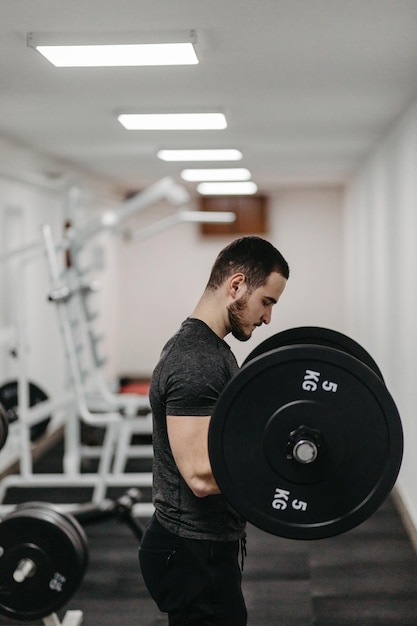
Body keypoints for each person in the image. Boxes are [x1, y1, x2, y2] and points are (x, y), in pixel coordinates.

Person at [139, 236, 290, 625]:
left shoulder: (212, 348)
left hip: (203, 543)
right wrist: (281, 467)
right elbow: (201, 476)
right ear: (236, 285)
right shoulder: (198, 360)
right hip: (191, 550)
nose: (269, 318)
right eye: (267, 302)